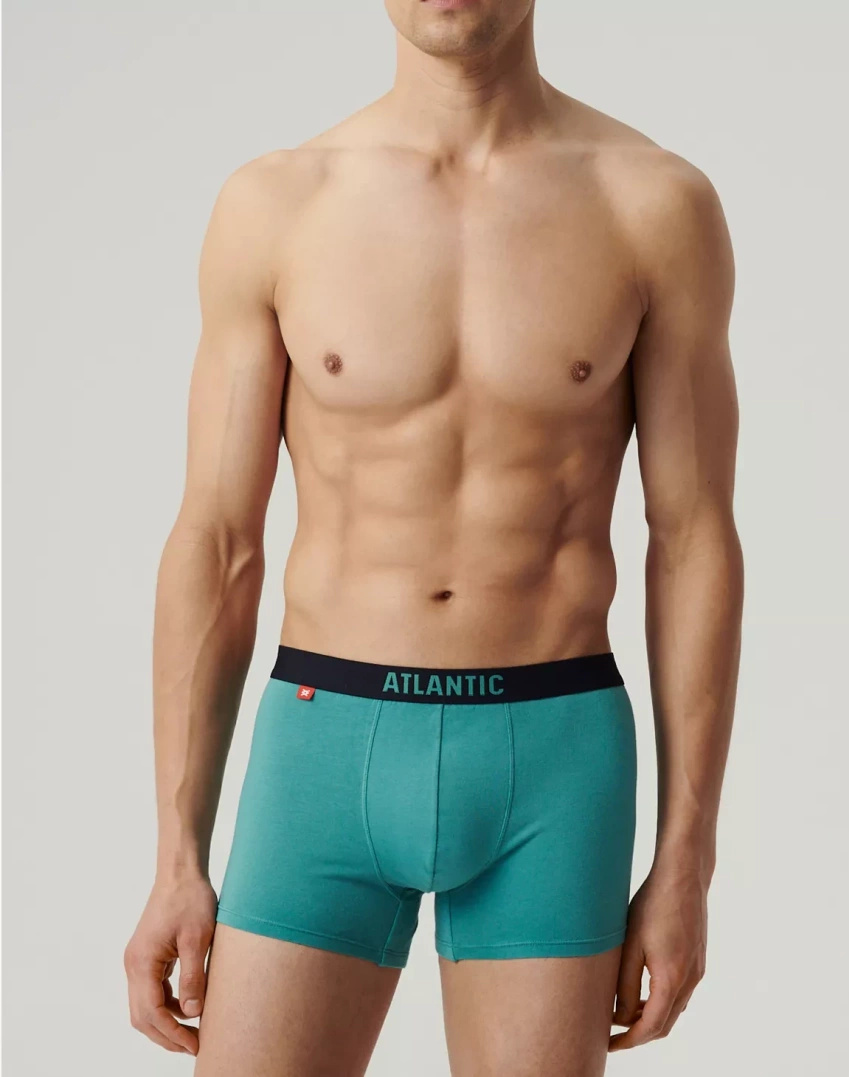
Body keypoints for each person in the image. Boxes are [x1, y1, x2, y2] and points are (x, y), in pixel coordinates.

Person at [124, 1, 743, 1073]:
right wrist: (177, 851)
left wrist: (687, 860)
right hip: (323, 752)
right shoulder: (278, 206)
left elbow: (693, 540)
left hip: (553, 763)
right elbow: (218, 542)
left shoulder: (653, 205)